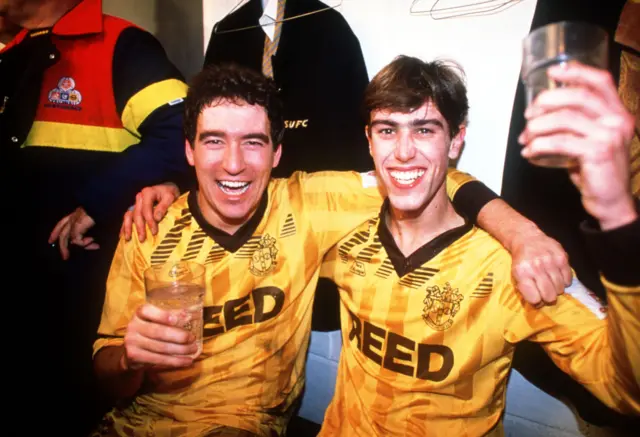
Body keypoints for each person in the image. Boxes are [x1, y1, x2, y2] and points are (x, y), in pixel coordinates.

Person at [104, 61, 573, 436]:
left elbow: (426, 173)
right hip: (129, 420)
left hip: (238, 424)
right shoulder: (150, 225)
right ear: (189, 151)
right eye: (213, 142)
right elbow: (103, 370)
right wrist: (129, 358)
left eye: (253, 142)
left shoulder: (311, 204)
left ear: (277, 154)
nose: (233, 163)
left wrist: (519, 231)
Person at [316, 56, 639, 436]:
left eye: (424, 130)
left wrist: (618, 221)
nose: (403, 151)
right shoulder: (340, 226)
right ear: (369, 141)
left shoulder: (510, 265)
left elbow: (627, 390)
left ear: (456, 140)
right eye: (388, 130)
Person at [0, 0, 190, 434]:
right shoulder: (15, 51)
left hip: (74, 291)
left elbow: (183, 130)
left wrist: (97, 205)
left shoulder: (122, 46)